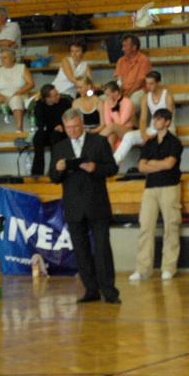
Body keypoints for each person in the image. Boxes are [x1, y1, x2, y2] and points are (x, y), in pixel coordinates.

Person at [49, 108, 120, 304]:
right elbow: (53, 177)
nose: (72, 130)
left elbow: (112, 168)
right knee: (81, 251)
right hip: (73, 206)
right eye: (68, 128)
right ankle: (91, 290)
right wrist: (58, 169)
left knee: (102, 249)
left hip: (97, 203)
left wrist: (95, 167)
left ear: (82, 124)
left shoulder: (98, 142)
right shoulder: (60, 147)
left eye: (75, 126)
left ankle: (110, 291)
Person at [130, 109, 184, 281]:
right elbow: (141, 166)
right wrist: (158, 164)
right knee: (145, 227)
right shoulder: (150, 143)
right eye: (154, 119)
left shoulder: (174, 142)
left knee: (171, 226)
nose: (155, 122)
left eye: (159, 119)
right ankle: (142, 269)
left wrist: (152, 163)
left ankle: (168, 267)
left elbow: (170, 164)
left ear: (167, 122)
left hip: (170, 186)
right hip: (150, 188)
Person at [113, 71, 175, 165]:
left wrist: (155, 136)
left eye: (151, 83)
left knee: (157, 141)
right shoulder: (146, 97)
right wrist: (143, 134)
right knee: (129, 136)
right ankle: (113, 163)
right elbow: (143, 119)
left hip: (167, 129)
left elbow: (168, 119)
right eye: (147, 83)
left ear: (159, 83)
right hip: (152, 128)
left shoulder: (167, 96)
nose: (148, 86)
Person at [0, 47, 34, 134]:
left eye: (5, 57)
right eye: (1, 57)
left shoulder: (22, 68)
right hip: (2, 96)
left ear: (13, 58)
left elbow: (31, 84)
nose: (2, 60)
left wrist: (19, 92)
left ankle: (19, 130)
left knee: (16, 99)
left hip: (19, 95)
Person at [31, 84, 72, 176]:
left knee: (55, 136)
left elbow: (70, 118)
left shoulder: (65, 103)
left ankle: (54, 170)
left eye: (57, 93)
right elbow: (40, 124)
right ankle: (37, 172)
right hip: (49, 132)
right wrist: (38, 104)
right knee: (38, 137)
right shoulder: (41, 106)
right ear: (47, 99)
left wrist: (63, 126)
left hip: (62, 132)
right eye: (55, 95)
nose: (58, 96)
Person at [113, 33, 152, 108]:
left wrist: (126, 95)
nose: (122, 49)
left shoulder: (144, 60)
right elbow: (119, 81)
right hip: (123, 91)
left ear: (134, 47)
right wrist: (119, 94)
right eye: (122, 46)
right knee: (104, 100)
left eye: (125, 46)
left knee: (132, 103)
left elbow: (139, 82)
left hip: (139, 90)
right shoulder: (121, 61)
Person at [99, 81, 136, 150]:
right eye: (106, 95)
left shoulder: (128, 102)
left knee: (112, 126)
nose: (107, 98)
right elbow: (108, 123)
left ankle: (94, 143)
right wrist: (110, 105)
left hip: (127, 129)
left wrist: (113, 107)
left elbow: (120, 123)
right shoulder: (107, 102)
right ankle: (111, 157)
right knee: (110, 138)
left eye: (108, 95)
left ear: (116, 93)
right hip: (113, 130)